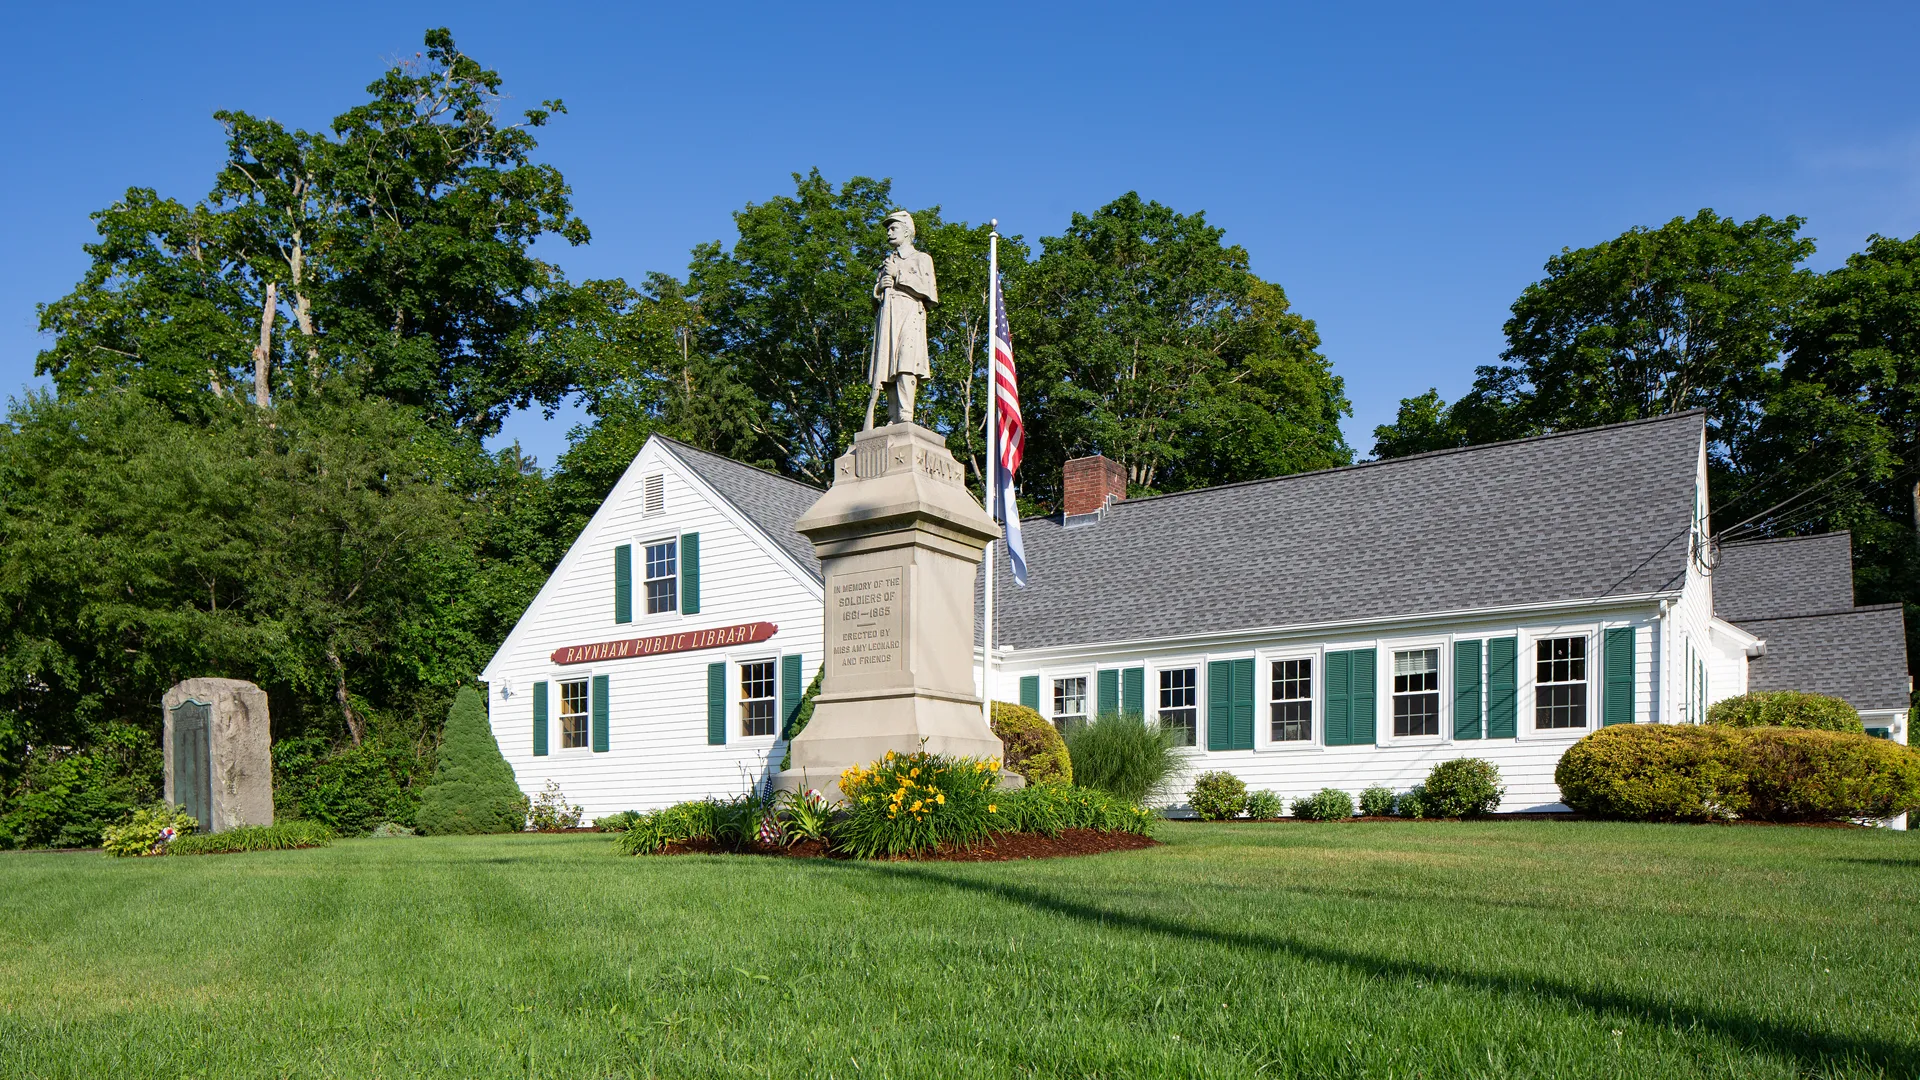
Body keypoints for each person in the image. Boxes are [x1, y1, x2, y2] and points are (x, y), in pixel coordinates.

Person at [866, 210, 938, 427]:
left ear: (907, 232)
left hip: (910, 312)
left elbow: (930, 292)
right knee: (887, 368)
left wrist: (899, 275)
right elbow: (874, 299)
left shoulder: (921, 258)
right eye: (888, 229)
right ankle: (893, 417)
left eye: (893, 228)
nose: (889, 232)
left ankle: (906, 415)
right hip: (888, 315)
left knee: (906, 363)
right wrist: (879, 288)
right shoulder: (886, 262)